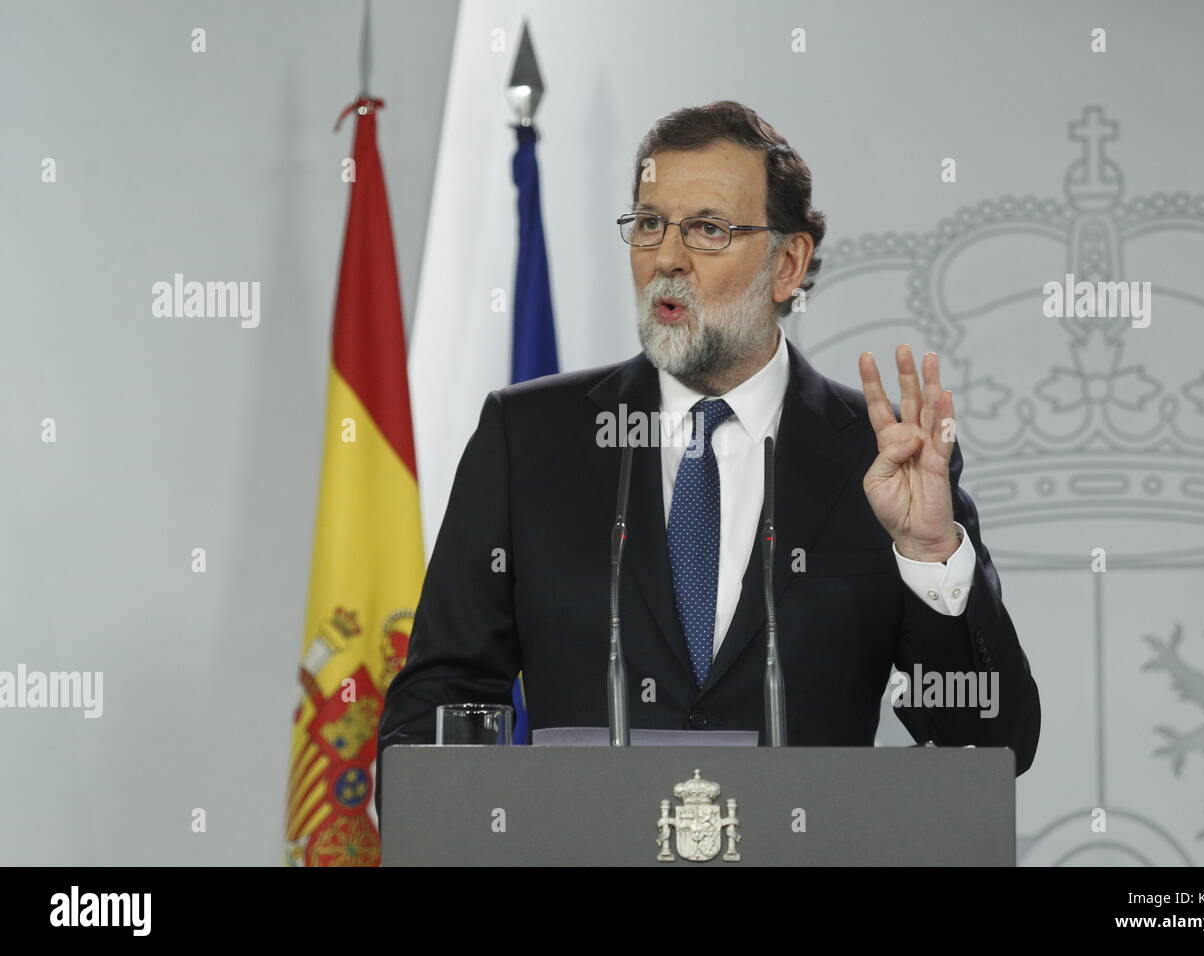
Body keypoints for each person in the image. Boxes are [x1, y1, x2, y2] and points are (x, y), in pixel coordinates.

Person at [378, 101, 1040, 794]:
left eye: (708, 230)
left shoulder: (878, 458)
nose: (666, 257)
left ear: (788, 264)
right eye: (650, 223)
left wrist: (931, 556)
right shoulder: (529, 439)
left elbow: (992, 744)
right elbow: (433, 709)